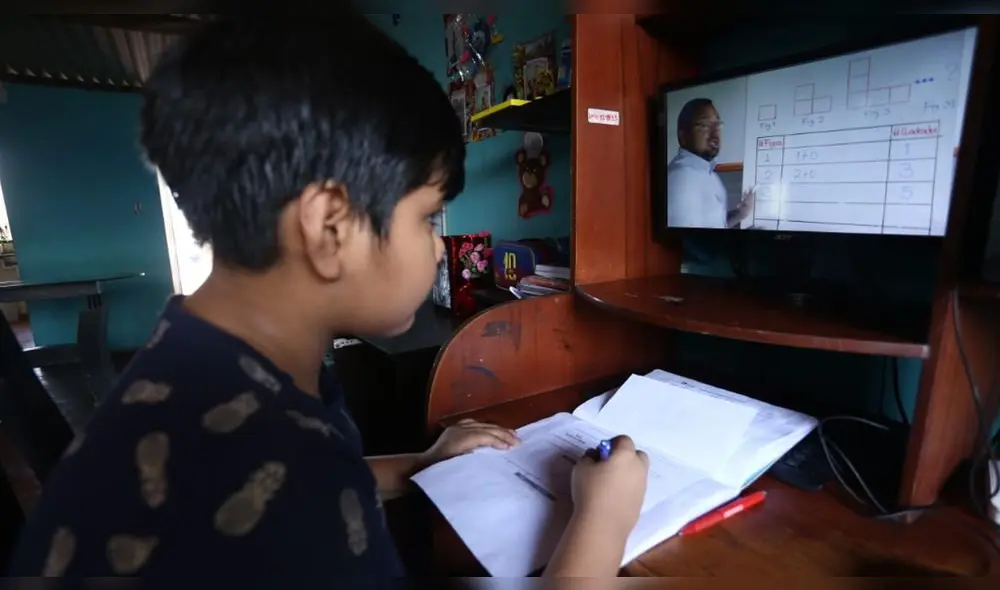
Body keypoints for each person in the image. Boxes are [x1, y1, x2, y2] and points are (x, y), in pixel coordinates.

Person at [6, 12, 649, 584]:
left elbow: (314, 476)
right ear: (329, 226)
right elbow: (295, 493)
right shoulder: (280, 485)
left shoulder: (196, 365)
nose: (435, 250)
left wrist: (421, 462)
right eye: (427, 217)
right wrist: (603, 518)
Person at [667, 98, 754, 229]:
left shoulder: (707, 171)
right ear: (683, 136)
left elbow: (712, 225)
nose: (715, 133)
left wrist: (739, 214)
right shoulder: (681, 178)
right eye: (705, 125)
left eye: (717, 125)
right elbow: (689, 242)